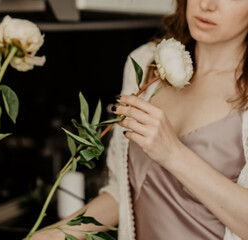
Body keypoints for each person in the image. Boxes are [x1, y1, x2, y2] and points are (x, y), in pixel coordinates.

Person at [30, 0, 248, 239]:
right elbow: (125, 191)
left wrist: (174, 155)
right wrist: (52, 235)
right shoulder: (146, 64)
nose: (207, 4)